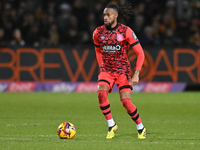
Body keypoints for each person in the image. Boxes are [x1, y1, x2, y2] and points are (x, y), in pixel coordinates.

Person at [93, 3, 146, 139]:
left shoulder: (126, 31)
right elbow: (98, 50)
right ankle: (111, 125)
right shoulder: (98, 32)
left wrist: (136, 74)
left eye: (108, 14)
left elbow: (140, 53)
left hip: (122, 71)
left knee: (126, 102)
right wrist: (101, 67)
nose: (105, 17)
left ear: (116, 15)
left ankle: (140, 127)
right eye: (104, 14)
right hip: (107, 70)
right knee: (101, 94)